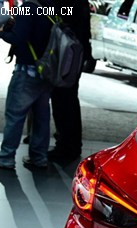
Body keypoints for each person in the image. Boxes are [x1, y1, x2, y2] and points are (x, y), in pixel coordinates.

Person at [0, 0, 54, 170]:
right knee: (41, 117)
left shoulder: (28, 7)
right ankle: (39, 157)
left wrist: (1, 31)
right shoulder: (51, 7)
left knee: (15, 116)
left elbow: (18, 37)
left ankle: (6, 158)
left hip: (26, 71)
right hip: (46, 70)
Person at [48, 0, 92, 163]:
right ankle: (69, 144)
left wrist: (33, 9)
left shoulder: (71, 4)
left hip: (69, 53)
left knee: (63, 99)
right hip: (74, 51)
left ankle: (66, 146)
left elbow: (64, 11)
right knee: (68, 99)